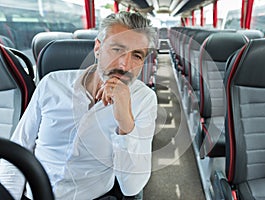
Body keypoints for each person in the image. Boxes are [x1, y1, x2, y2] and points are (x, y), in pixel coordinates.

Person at [0, 11, 158, 200]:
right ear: (98, 48)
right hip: (34, 192)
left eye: (137, 56)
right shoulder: (52, 83)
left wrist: (125, 121)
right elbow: (20, 146)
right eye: (117, 49)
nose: (125, 65)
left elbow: (132, 187)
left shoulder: (144, 99)